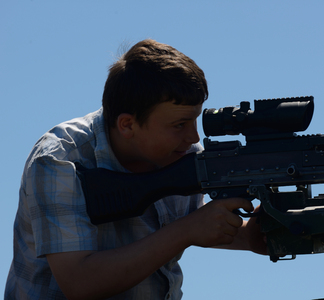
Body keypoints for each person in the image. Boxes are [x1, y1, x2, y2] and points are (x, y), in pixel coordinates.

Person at [5, 39, 266, 299]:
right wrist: (186, 231)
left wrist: (255, 233)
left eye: (195, 120)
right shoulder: (60, 161)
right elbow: (80, 282)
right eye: (180, 124)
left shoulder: (182, 155)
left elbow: (204, 227)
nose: (194, 137)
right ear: (127, 125)